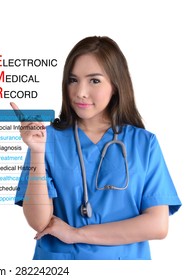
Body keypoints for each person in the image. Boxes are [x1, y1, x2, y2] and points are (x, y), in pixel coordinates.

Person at [11, 36, 182, 260]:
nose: (80, 92)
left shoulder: (144, 144)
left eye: (94, 81)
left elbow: (158, 225)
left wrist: (77, 234)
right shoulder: (46, 139)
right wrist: (37, 151)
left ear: (116, 85)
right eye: (73, 80)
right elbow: (40, 222)